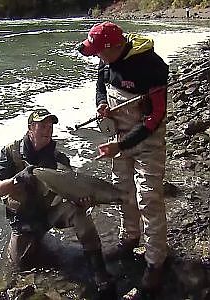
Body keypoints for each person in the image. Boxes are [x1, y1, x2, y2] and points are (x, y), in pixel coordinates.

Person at [77, 22, 169, 293]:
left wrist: (124, 145)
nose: (96, 56)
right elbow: (100, 86)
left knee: (148, 201)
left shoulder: (151, 66)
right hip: (118, 135)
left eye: (99, 52)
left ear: (114, 47)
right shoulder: (105, 60)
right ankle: (129, 238)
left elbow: (156, 117)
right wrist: (101, 104)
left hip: (147, 141)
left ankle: (155, 263)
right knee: (123, 192)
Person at [0, 108, 116, 297]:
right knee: (18, 269)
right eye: (42, 125)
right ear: (30, 128)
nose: (47, 130)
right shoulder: (11, 152)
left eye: (50, 126)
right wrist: (17, 179)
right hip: (22, 221)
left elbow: (72, 191)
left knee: (78, 212)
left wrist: (84, 201)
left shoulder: (59, 159)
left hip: (49, 214)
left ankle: (99, 271)